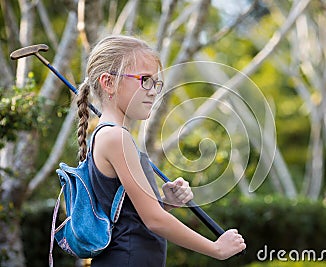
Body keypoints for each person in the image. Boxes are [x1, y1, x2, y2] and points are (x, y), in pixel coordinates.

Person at [76, 35, 246, 266]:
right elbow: (154, 220)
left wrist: (166, 202)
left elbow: (127, 215)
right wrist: (216, 248)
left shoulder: (109, 135)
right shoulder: (116, 137)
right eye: (144, 79)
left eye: (156, 83)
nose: (153, 91)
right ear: (108, 83)